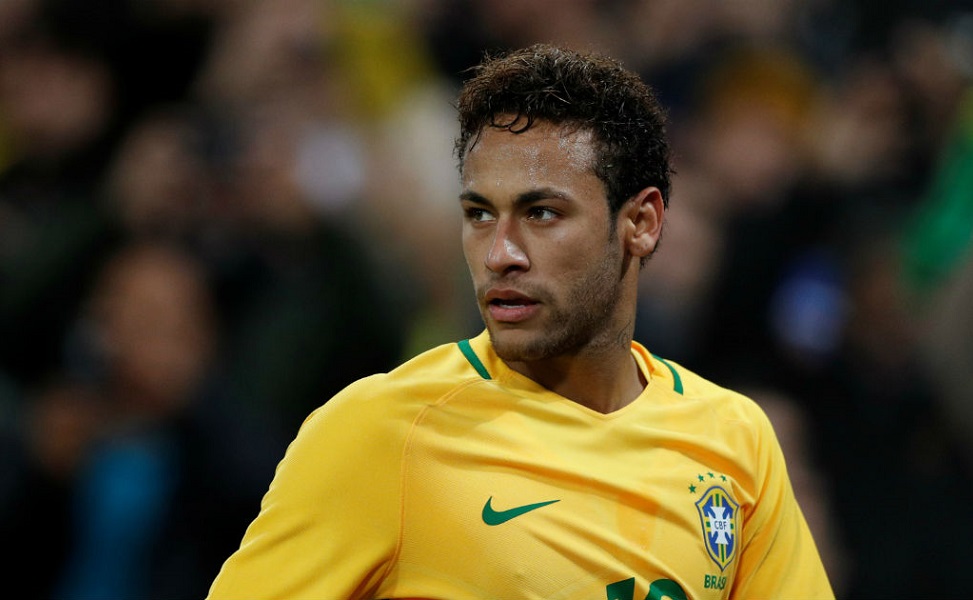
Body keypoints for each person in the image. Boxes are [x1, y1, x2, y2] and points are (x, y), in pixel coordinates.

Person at [207, 43, 834, 599]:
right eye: (479, 214)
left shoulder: (736, 441)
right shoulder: (382, 433)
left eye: (541, 213)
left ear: (641, 224)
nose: (500, 254)